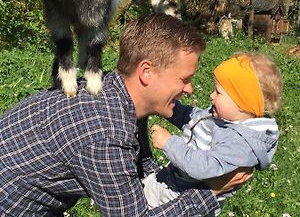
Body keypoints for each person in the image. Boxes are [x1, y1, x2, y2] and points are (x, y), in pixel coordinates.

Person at [0, 13, 251, 216]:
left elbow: (140, 168)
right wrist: (210, 192)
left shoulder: (118, 97)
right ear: (147, 72)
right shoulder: (104, 132)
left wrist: (184, 176)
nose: (190, 89)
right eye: (184, 80)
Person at [143, 51, 283, 215]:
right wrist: (166, 107)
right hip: (173, 180)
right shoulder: (226, 116)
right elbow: (193, 117)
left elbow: (203, 167)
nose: (211, 95)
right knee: (136, 201)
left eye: (218, 92)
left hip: (186, 198)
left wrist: (169, 143)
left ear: (242, 102)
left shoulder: (240, 143)